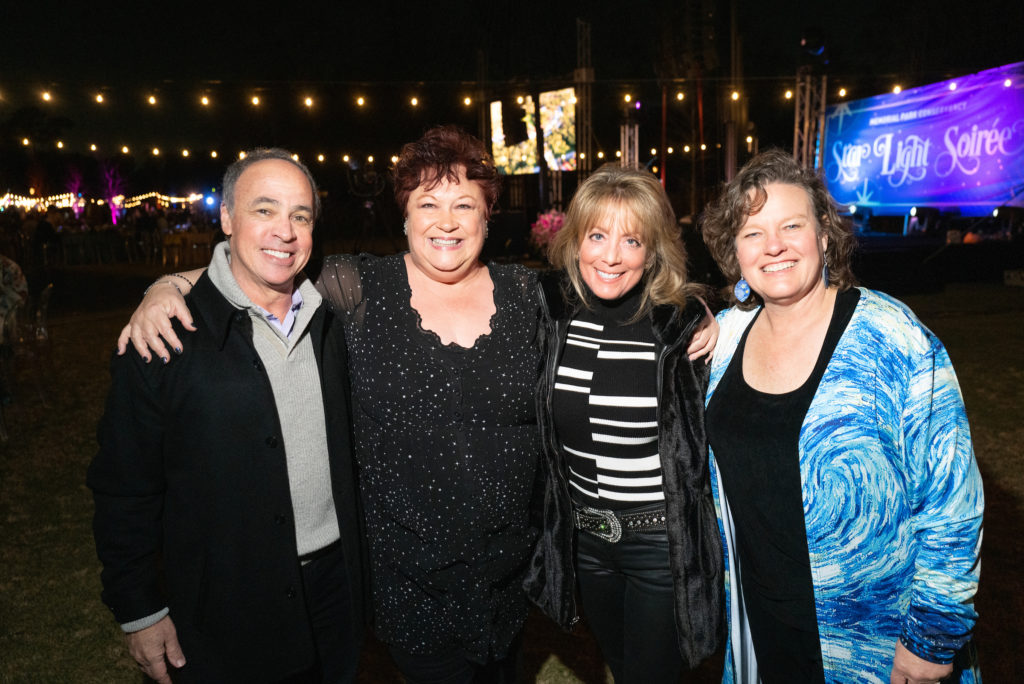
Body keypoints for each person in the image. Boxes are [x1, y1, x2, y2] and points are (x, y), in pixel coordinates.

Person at [118, 128, 718, 683]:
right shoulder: (355, 289)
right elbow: (263, 267)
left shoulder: (532, 295)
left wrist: (703, 309)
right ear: (403, 216)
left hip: (509, 581)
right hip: (409, 585)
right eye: (428, 204)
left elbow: (622, 291)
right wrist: (166, 287)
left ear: (489, 216)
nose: (447, 222)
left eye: (465, 205)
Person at [700, 149, 983, 684]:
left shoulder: (891, 337)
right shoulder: (730, 335)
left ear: (825, 235)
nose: (774, 245)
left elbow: (953, 505)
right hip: (760, 624)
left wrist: (931, 639)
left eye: (791, 225)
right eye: (752, 233)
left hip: (873, 639)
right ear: (734, 251)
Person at [89, 149, 366, 683]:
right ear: (226, 218)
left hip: (334, 591)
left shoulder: (333, 314)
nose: (284, 231)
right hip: (223, 607)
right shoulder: (166, 336)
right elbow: (123, 487)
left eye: (301, 216)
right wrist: (139, 608)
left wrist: (166, 279)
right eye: (264, 210)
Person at [525, 165, 723, 683]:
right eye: (597, 235)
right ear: (574, 240)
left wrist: (711, 313)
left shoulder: (676, 325)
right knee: (618, 663)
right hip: (585, 544)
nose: (611, 256)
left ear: (652, 252)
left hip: (660, 546)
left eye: (631, 241)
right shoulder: (551, 311)